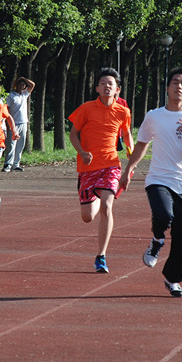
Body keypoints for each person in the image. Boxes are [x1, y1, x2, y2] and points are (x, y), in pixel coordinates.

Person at [120, 67, 182, 298]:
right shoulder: (154, 116)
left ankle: (172, 279)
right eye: (175, 82)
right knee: (163, 214)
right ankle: (157, 239)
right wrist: (128, 169)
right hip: (158, 179)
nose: (179, 86)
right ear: (168, 88)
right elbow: (142, 144)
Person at [68, 68, 132, 274]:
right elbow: (73, 134)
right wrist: (82, 152)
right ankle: (95, 195)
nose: (106, 86)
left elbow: (127, 134)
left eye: (110, 84)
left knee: (107, 206)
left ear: (117, 89)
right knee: (87, 217)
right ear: (97, 88)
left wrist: (130, 155)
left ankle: (101, 256)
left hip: (111, 165)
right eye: (103, 83)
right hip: (87, 167)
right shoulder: (86, 108)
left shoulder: (123, 112)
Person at [2, 76, 35, 172]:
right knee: (11, 144)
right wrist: (7, 123)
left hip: (23, 122)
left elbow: (32, 85)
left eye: (23, 85)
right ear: (16, 85)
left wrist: (24, 78)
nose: (22, 86)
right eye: (20, 84)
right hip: (13, 123)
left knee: (21, 144)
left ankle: (16, 164)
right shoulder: (10, 95)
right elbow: (6, 109)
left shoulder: (25, 94)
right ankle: (8, 164)